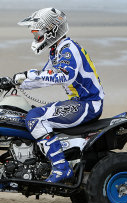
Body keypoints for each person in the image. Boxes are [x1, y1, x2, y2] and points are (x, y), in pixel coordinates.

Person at [13, 7, 104, 183]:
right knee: (30, 113)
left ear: (51, 29)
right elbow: (44, 77)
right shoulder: (57, 50)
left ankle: (60, 167)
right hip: (81, 102)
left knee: (35, 118)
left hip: (88, 104)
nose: (36, 36)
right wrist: (17, 81)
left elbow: (64, 75)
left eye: (37, 32)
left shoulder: (69, 49)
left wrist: (29, 75)